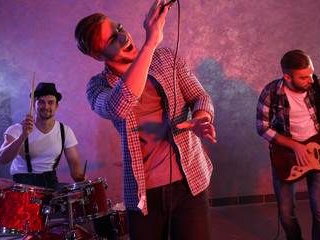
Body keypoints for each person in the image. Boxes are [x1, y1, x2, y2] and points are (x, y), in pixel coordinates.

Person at [74, 0, 217, 239]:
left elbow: (199, 97)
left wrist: (201, 118)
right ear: (98, 55)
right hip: (144, 194)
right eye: (112, 40)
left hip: (189, 183)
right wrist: (150, 43)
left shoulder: (165, 59)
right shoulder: (97, 86)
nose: (123, 37)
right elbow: (119, 105)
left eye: (119, 28)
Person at [256, 49, 320, 240]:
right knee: (286, 213)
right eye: (304, 77)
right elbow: (262, 127)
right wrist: (295, 146)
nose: (311, 80)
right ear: (287, 76)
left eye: (311, 73)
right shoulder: (271, 92)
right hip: (286, 156)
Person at [0, 82, 85, 191]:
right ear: (34, 105)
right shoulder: (16, 129)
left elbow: (74, 162)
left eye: (51, 102)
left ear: (56, 106)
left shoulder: (65, 131)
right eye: (41, 102)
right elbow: (3, 159)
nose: (46, 106)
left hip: (51, 183)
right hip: (23, 187)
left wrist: (78, 176)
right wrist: (23, 136)